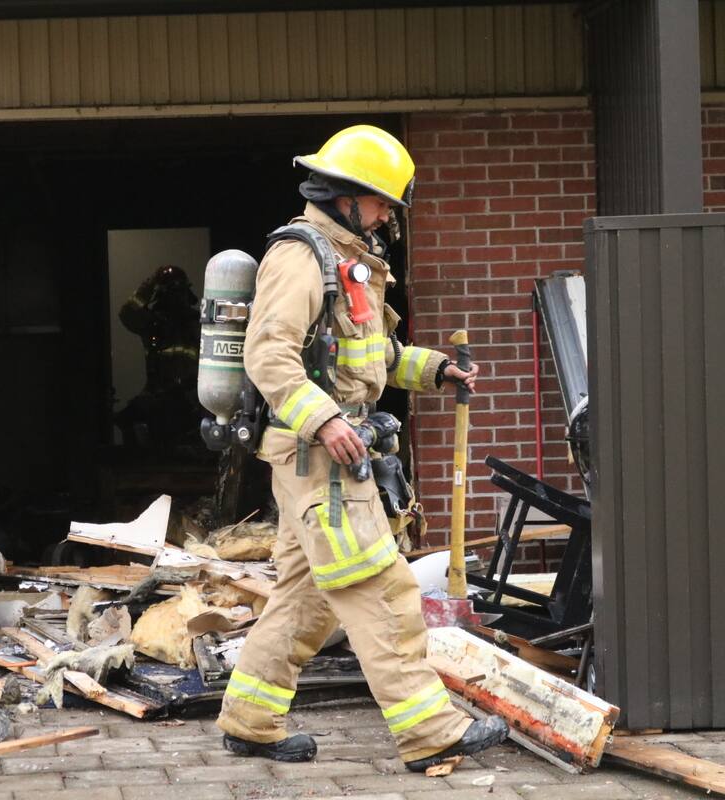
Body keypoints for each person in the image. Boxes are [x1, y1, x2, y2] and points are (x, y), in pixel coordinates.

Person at [215, 125, 507, 771]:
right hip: (320, 458)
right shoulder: (301, 257)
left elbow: (375, 356)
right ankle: (431, 732)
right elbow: (268, 355)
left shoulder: (352, 262)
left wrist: (436, 371)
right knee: (383, 587)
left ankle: (249, 720)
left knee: (306, 597)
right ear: (345, 196)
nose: (385, 217)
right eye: (379, 203)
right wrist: (325, 422)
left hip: (327, 454)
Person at [115, 265, 201, 448]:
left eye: (179, 292)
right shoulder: (154, 323)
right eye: (171, 292)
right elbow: (128, 313)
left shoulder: (198, 323)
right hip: (159, 398)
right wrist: (151, 284)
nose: (176, 298)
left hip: (190, 401)